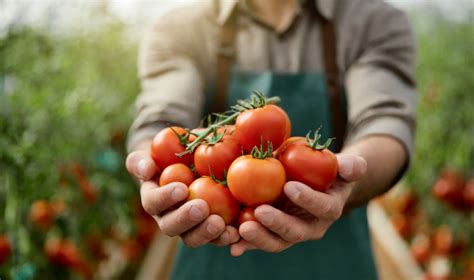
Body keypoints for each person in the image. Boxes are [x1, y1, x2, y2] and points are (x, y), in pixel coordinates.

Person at [125, 0, 417, 279]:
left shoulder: (373, 22)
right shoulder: (181, 27)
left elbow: (385, 123)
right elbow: (161, 120)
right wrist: (150, 164)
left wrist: (345, 178)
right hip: (213, 260)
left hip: (334, 260)